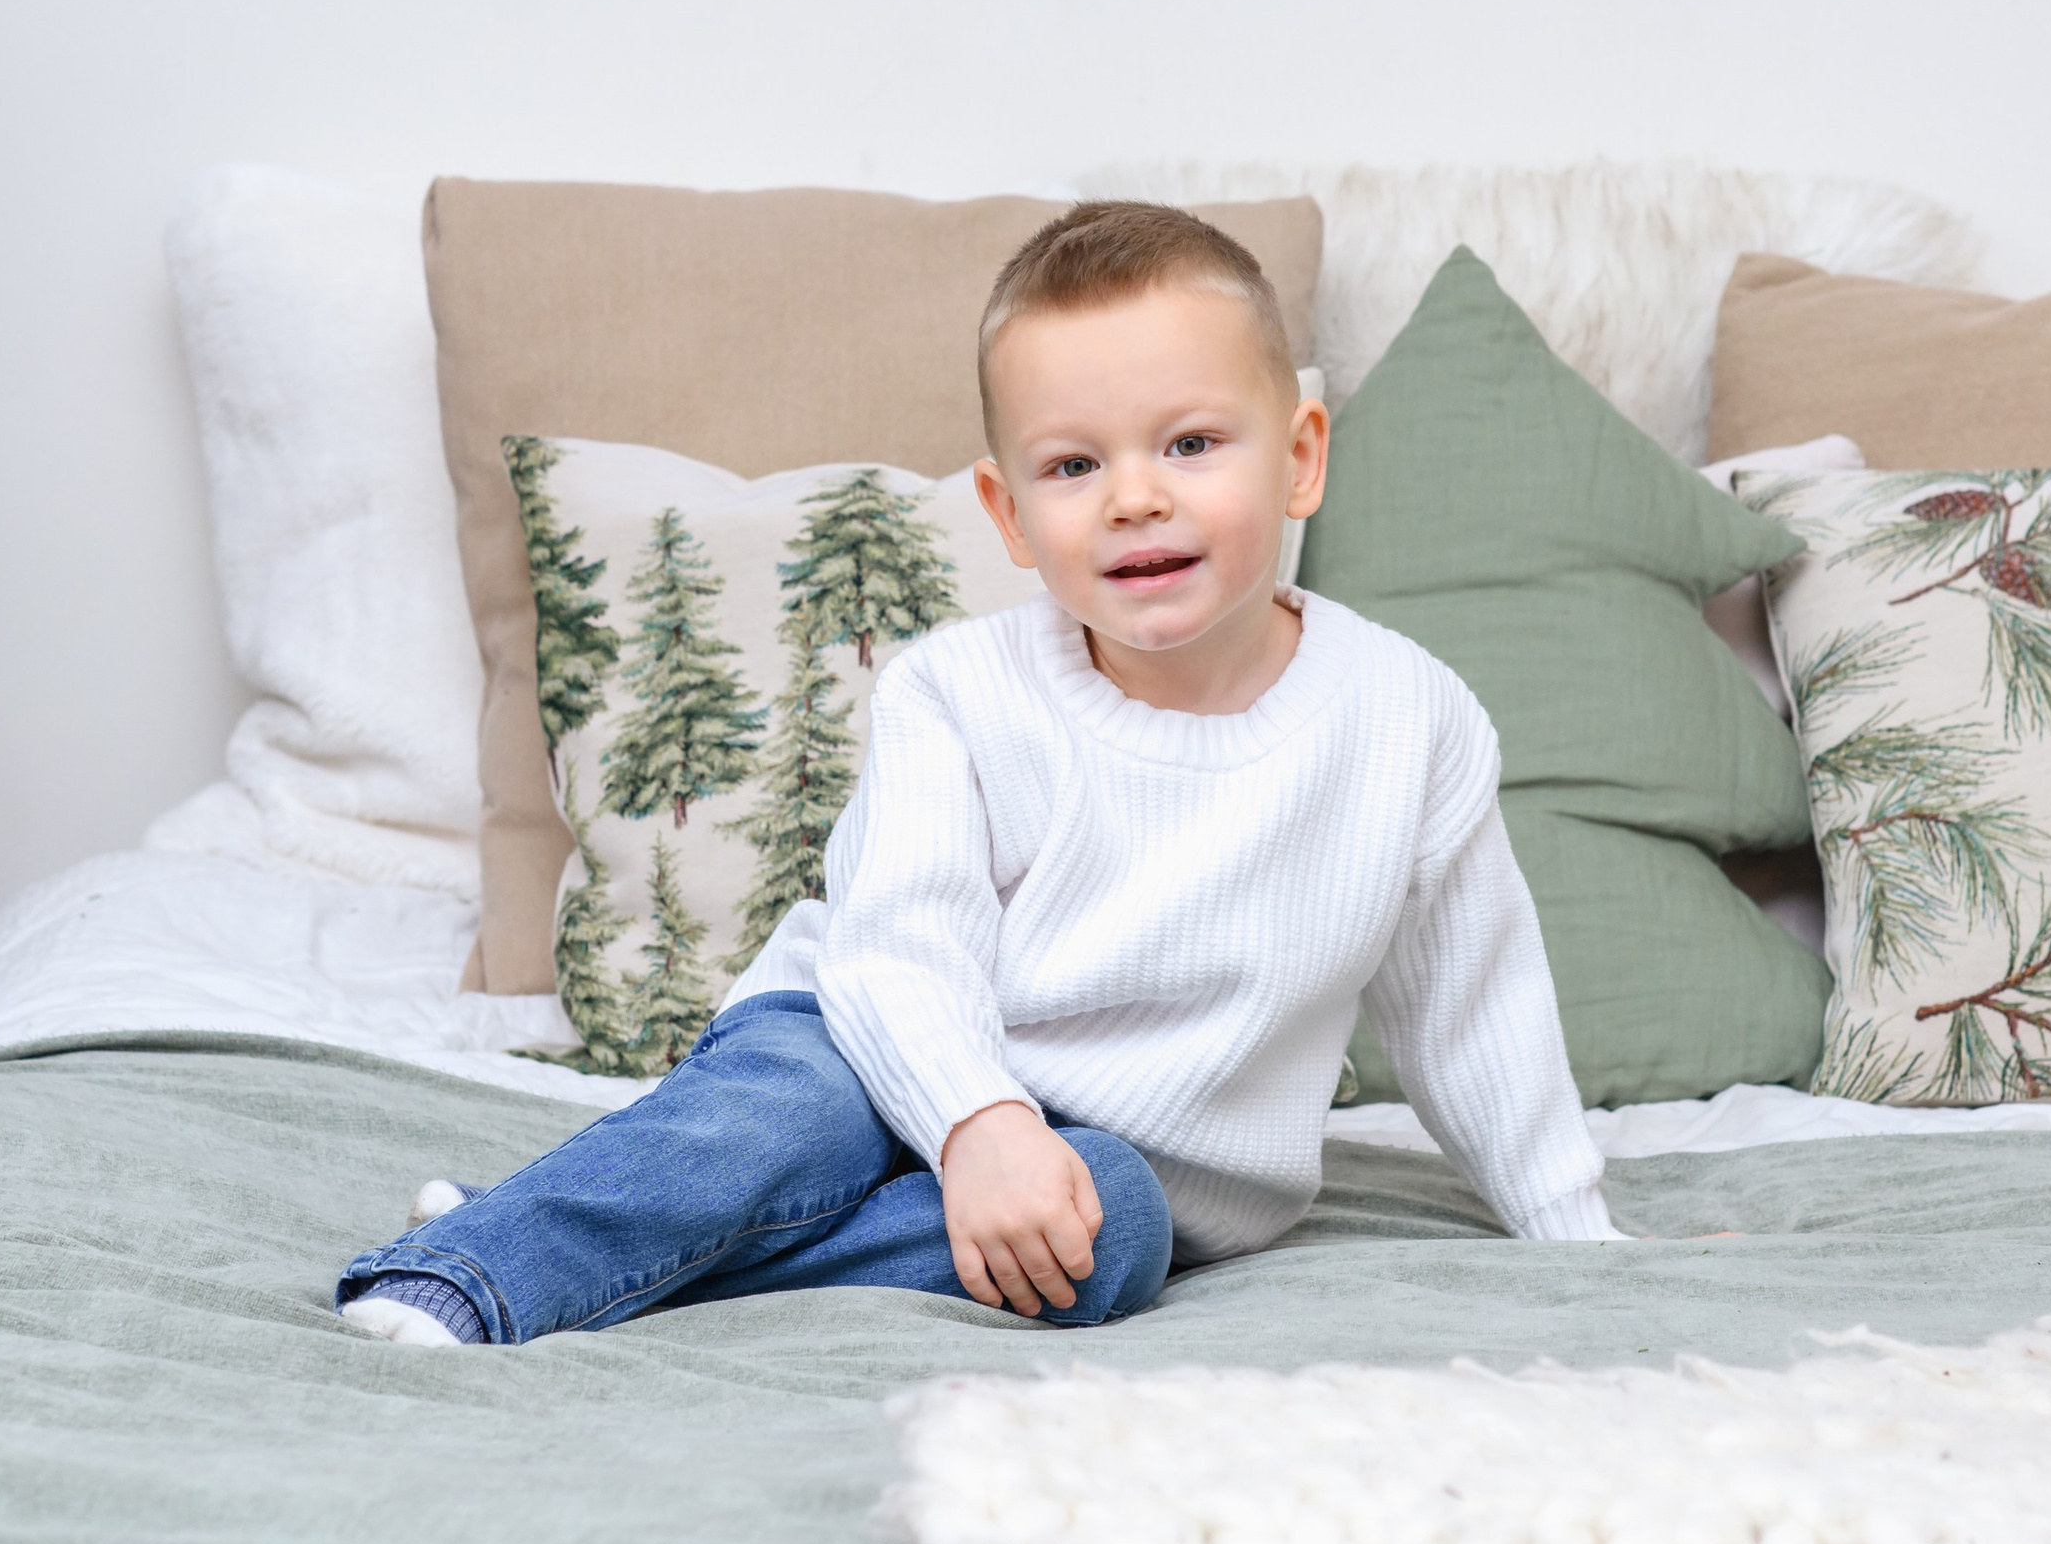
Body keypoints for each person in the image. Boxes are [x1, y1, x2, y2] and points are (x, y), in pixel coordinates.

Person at [337, 201, 1614, 1347]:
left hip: (1098, 1167)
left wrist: (1578, 1230)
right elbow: (899, 946)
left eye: (1189, 444)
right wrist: (973, 1121)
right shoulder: (959, 690)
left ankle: (611, 1243)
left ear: (1299, 456)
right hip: (869, 1042)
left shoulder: (1408, 718)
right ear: (1008, 515)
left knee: (1116, 1233)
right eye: (1075, 466)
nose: (1133, 499)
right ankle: (476, 1273)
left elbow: (1474, 1001)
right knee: (785, 1119)